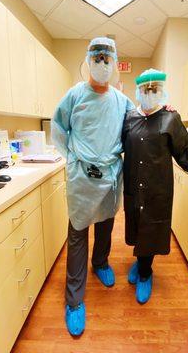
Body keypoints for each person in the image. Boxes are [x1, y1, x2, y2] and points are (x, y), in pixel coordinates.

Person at [51, 37, 135, 336]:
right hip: (81, 177)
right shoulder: (75, 95)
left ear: (113, 63)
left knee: (105, 225)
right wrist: (74, 158)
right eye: (97, 57)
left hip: (110, 176)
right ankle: (74, 300)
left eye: (107, 58)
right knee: (77, 234)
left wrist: (164, 113)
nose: (102, 63)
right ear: (88, 60)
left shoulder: (122, 101)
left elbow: (139, 127)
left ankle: (100, 263)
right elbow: (59, 130)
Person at [122, 68, 188, 304]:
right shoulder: (129, 118)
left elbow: (182, 152)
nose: (150, 93)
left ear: (162, 90)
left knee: (151, 227)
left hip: (156, 188)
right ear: (138, 90)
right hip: (133, 185)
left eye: (154, 89)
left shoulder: (170, 118)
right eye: (145, 89)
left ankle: (145, 273)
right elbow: (117, 146)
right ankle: (140, 261)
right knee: (136, 225)